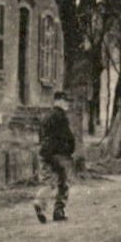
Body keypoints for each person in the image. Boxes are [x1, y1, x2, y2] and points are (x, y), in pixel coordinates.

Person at [33, 91, 76, 223]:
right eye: (65, 101)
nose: (67, 104)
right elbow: (67, 136)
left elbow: (40, 135)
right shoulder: (61, 116)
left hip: (45, 153)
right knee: (64, 182)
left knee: (48, 182)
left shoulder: (46, 116)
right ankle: (59, 211)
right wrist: (70, 149)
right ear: (59, 101)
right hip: (60, 154)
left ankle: (40, 202)